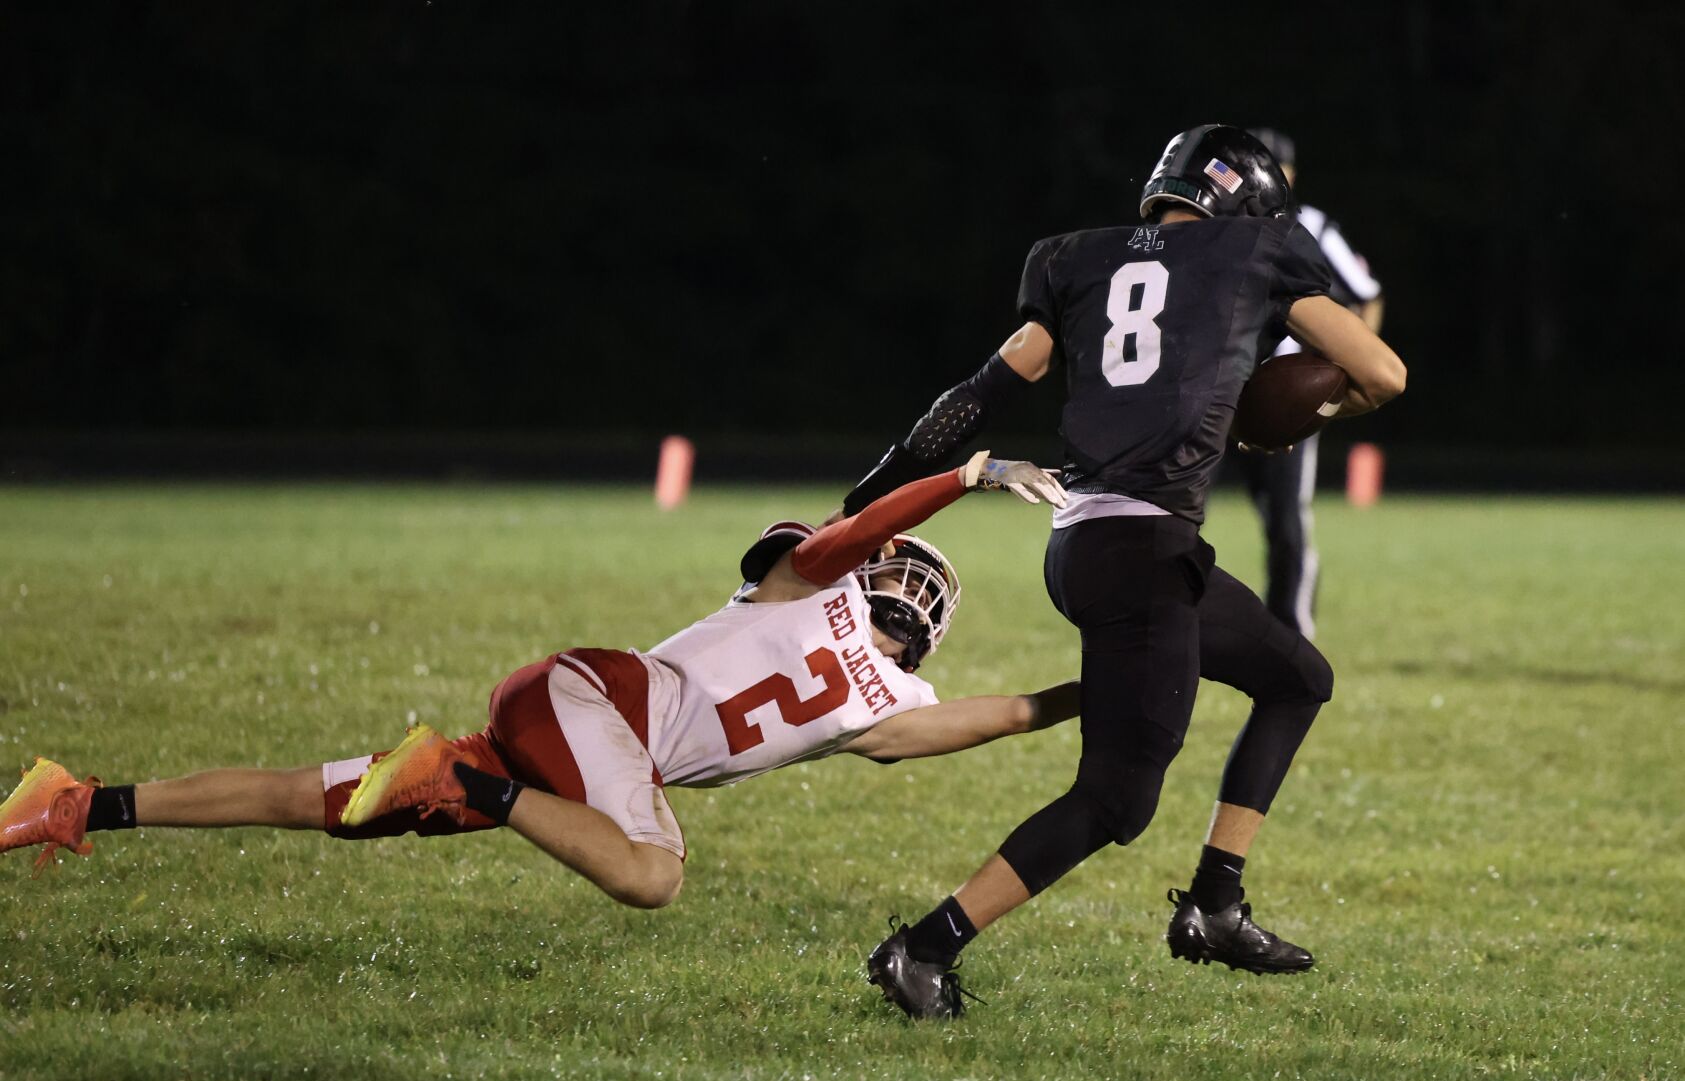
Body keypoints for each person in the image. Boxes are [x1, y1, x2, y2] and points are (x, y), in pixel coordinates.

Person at [844, 125, 1406, 1019]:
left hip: (1094, 542)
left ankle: (1215, 905)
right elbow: (1381, 370)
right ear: (1247, 203)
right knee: (1115, 799)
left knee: (1297, 677)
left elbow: (982, 393)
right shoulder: (1258, 247)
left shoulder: (1072, 259)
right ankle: (922, 948)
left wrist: (876, 485)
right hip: (1141, 556)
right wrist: (1299, 412)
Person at [1, 454, 1076, 912]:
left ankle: (77, 801)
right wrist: (966, 481)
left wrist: (1096, 683)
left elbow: (994, 710)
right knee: (653, 875)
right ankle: (471, 788)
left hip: (581, 735)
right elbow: (880, 545)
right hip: (595, 708)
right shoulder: (832, 620)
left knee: (318, 800)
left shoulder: (859, 667)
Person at [1237, 127, 1386, 636]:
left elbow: (1366, 292)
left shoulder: (1313, 229)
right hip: (1217, 393)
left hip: (1281, 398)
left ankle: (1289, 632)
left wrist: (1343, 367)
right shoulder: (1216, 227)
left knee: (1285, 521)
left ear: (1291, 175)